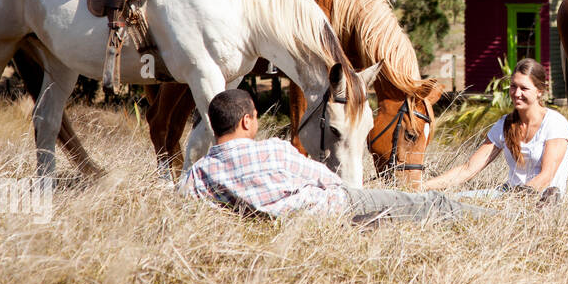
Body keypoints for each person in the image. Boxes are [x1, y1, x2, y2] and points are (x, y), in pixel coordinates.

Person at [180, 89, 492, 222]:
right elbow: (324, 177)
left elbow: (187, 202)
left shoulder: (198, 175)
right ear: (247, 120)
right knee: (431, 204)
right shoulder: (272, 150)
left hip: (309, 220)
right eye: (256, 116)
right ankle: (495, 217)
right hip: (335, 207)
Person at [420, 58, 568, 202]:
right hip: (508, 194)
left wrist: (513, 200)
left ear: (540, 91)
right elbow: (468, 169)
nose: (517, 93)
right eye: (513, 86)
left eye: (524, 88)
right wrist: (422, 187)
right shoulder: (505, 124)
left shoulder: (555, 123)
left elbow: (546, 176)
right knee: (451, 200)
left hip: (541, 199)